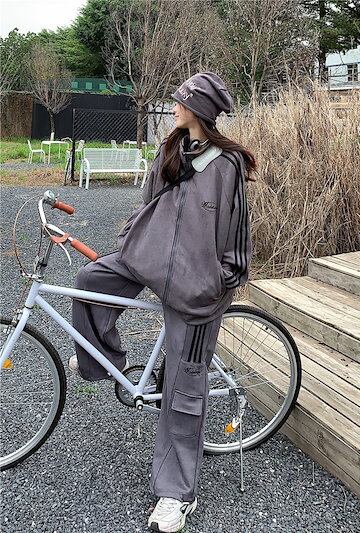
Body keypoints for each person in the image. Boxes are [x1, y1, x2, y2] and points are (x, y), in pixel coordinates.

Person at [69, 71, 256, 533]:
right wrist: (132, 236)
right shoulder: (171, 148)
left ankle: (176, 494)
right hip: (147, 258)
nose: (174, 106)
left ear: (200, 110)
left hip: (196, 285)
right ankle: (105, 361)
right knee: (88, 282)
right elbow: (148, 202)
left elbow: (237, 228)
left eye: (181, 100)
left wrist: (224, 278)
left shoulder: (228, 164)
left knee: (184, 390)